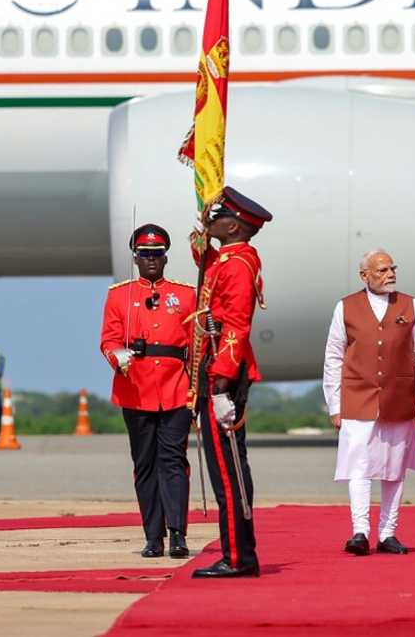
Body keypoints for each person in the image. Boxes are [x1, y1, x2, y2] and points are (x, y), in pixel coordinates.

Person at [322, 249, 415, 556]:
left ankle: (388, 533)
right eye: (383, 270)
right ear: (365, 275)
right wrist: (334, 404)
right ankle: (360, 531)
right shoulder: (345, 307)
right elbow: (333, 357)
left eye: (393, 269)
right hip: (358, 397)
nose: (391, 274)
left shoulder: (410, 305)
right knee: (359, 465)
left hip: (399, 398)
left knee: (393, 468)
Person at [99, 224, 196, 558]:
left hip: (176, 389)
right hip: (135, 388)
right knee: (144, 464)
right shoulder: (118, 295)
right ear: (136, 258)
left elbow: (196, 346)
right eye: (144, 255)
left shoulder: (185, 295)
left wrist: (197, 388)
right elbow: (109, 340)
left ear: (165, 257)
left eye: (156, 254)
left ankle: (177, 533)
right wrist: (120, 358)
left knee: (173, 461)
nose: (151, 260)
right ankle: (152, 537)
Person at [191, 187, 272, 579]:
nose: (210, 219)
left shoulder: (238, 264)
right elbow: (208, 277)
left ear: (234, 225)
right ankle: (237, 553)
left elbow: (237, 324)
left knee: (228, 470)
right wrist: (202, 238)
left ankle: (239, 558)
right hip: (218, 364)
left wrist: (221, 383)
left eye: (216, 216)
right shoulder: (230, 258)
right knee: (226, 464)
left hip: (225, 370)